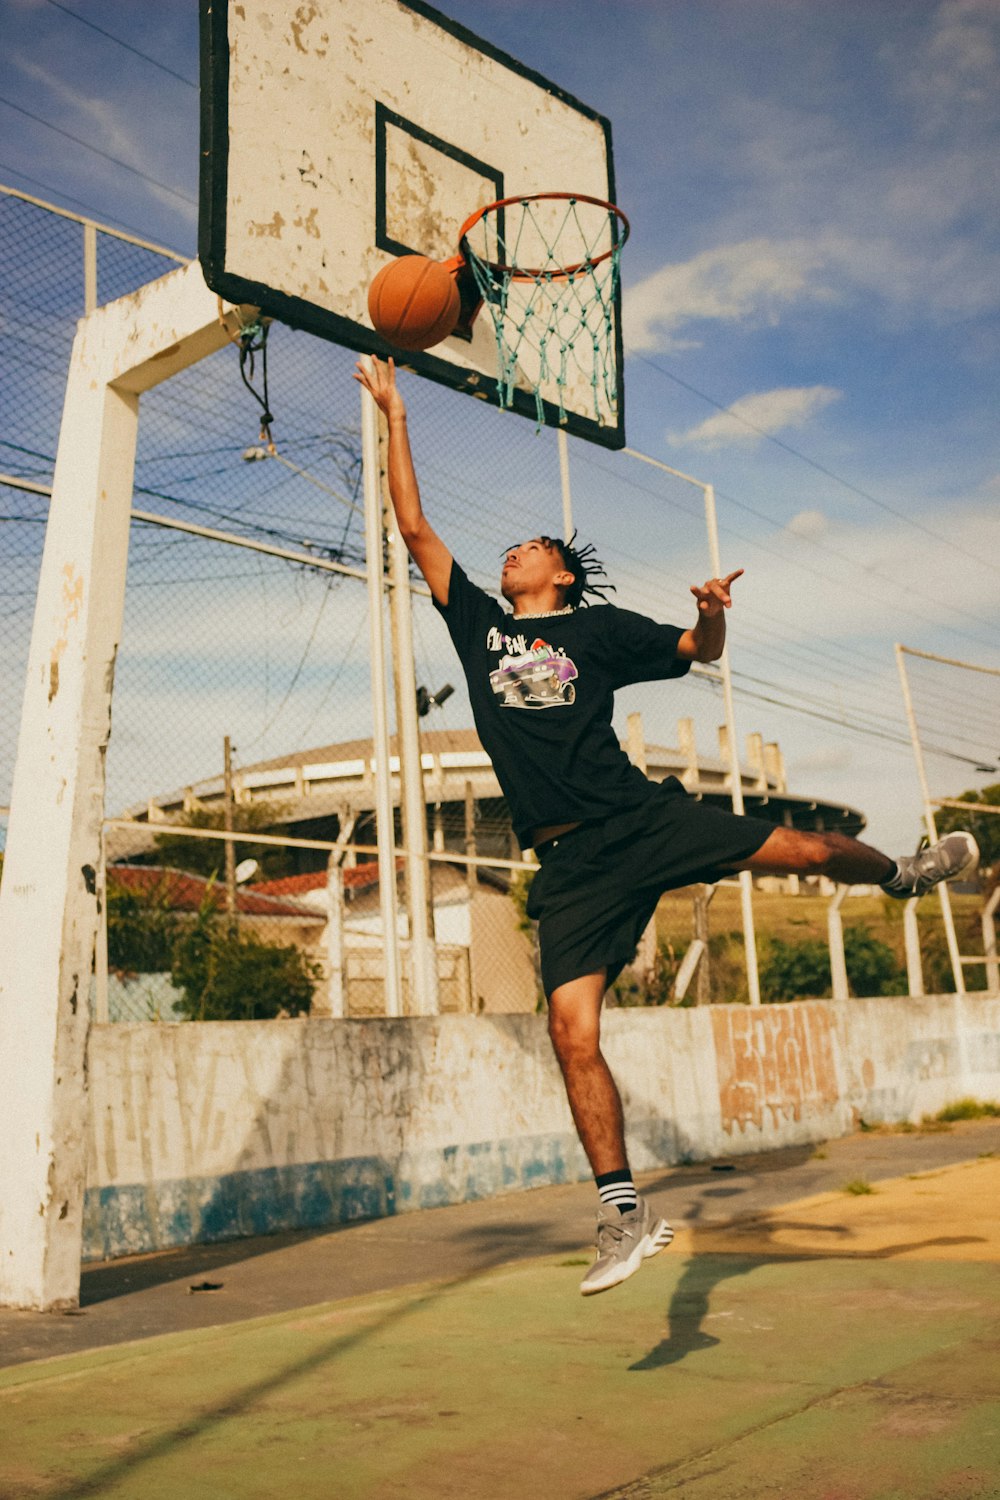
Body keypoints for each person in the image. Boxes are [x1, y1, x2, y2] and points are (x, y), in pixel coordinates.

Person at [353, 355, 980, 1296]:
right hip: (566, 864)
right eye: (511, 550)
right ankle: (621, 1213)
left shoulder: (596, 632)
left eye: (528, 547)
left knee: (803, 850)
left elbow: (696, 651)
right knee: (570, 1031)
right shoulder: (479, 627)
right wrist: (395, 411)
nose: (510, 554)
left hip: (637, 819)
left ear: (559, 575)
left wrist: (713, 614)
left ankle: (901, 873)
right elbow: (413, 525)